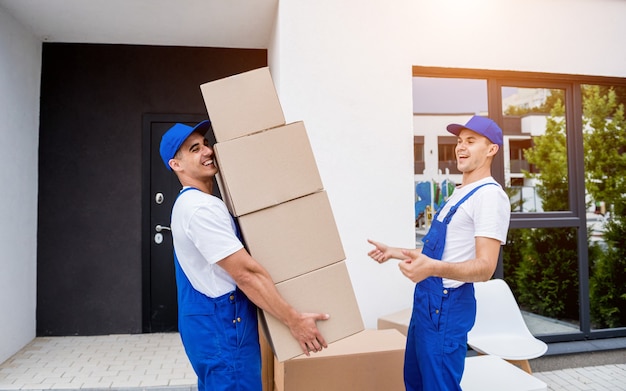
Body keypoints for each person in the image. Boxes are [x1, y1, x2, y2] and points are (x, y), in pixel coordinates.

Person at [159, 120, 329, 391]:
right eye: (194, 149)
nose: (207, 151)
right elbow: (246, 274)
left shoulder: (193, 203)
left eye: (205, 144)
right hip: (222, 328)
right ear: (175, 165)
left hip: (210, 325)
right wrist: (294, 321)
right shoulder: (200, 209)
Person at [367, 115, 511, 391]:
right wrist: (394, 252)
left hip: (447, 306)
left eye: (471, 141)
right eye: (459, 141)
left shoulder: (489, 197)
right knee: (416, 383)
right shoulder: (460, 193)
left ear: (492, 149)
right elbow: (442, 251)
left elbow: (484, 268)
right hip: (426, 304)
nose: (460, 147)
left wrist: (431, 269)